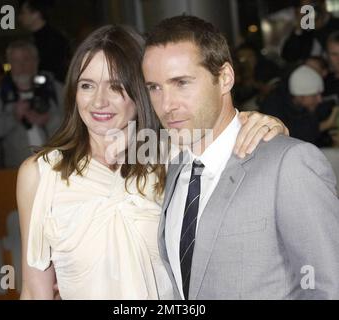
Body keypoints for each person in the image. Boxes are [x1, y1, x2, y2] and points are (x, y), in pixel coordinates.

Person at [17, 25, 288, 300]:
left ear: (141, 92)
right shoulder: (41, 174)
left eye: (116, 87)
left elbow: (228, 134)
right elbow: (33, 290)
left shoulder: (176, 156)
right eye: (87, 85)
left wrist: (268, 124)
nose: (99, 101)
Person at [142, 15, 339, 300]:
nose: (167, 105)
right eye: (154, 88)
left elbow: (328, 286)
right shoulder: (176, 168)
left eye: (181, 83)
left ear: (225, 78)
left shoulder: (289, 163)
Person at [0, 40, 63, 168]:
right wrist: (13, 117)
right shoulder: (2, 94)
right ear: (10, 65)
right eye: (16, 61)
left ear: (36, 62)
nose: (22, 66)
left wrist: (49, 120)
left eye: (26, 59)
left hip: (57, 167)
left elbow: (78, 122)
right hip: (17, 172)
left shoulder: (53, 88)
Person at [18, 0, 71, 82]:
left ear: (36, 14)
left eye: (23, 12)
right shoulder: (44, 37)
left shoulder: (53, 39)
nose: (20, 17)